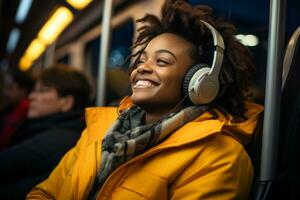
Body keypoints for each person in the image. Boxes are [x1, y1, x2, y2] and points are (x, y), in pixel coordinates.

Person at [27, 0, 263, 199]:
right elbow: (46, 193)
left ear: (201, 82)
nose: (141, 68)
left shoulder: (219, 157)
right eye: (141, 61)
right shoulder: (99, 131)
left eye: (162, 61)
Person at [0, 64, 92, 199]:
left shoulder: (51, 139)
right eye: (34, 90)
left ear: (66, 102)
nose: (31, 96)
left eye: (42, 91)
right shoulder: (71, 129)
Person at [0, 69, 35, 150]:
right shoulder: (12, 108)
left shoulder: (25, 111)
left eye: (10, 88)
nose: (5, 92)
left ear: (23, 90)